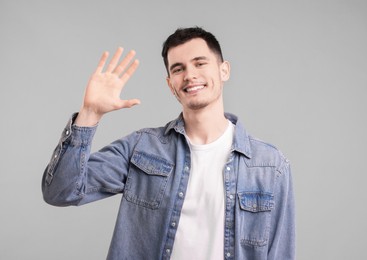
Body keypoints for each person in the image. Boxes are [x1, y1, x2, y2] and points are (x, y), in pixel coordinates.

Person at [42, 27, 295, 260]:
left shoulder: (270, 166)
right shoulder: (141, 148)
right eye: (178, 69)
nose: (190, 75)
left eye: (199, 63)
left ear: (224, 70)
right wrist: (89, 114)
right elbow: (60, 192)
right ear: (170, 84)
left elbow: (280, 253)